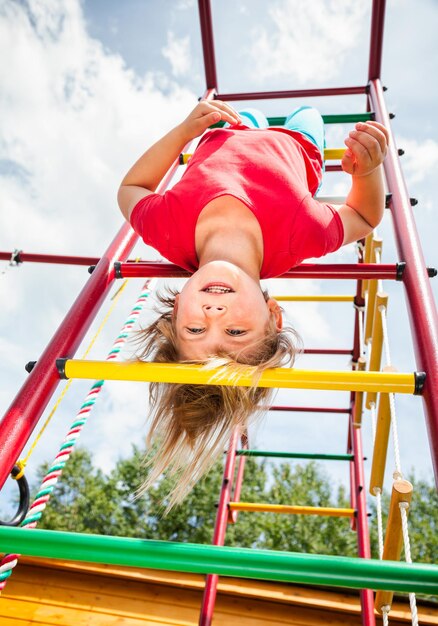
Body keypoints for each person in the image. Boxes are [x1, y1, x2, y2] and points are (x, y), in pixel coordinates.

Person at [118, 101, 389, 509]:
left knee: (241, 114)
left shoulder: (166, 229)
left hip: (229, 131)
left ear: (175, 315)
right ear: (273, 315)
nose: (213, 317)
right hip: (299, 144)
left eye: (194, 331)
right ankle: (302, 111)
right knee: (308, 112)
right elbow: (365, 217)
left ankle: (255, 118)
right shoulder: (303, 234)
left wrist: (182, 133)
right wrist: (368, 172)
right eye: (235, 334)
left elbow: (130, 189)